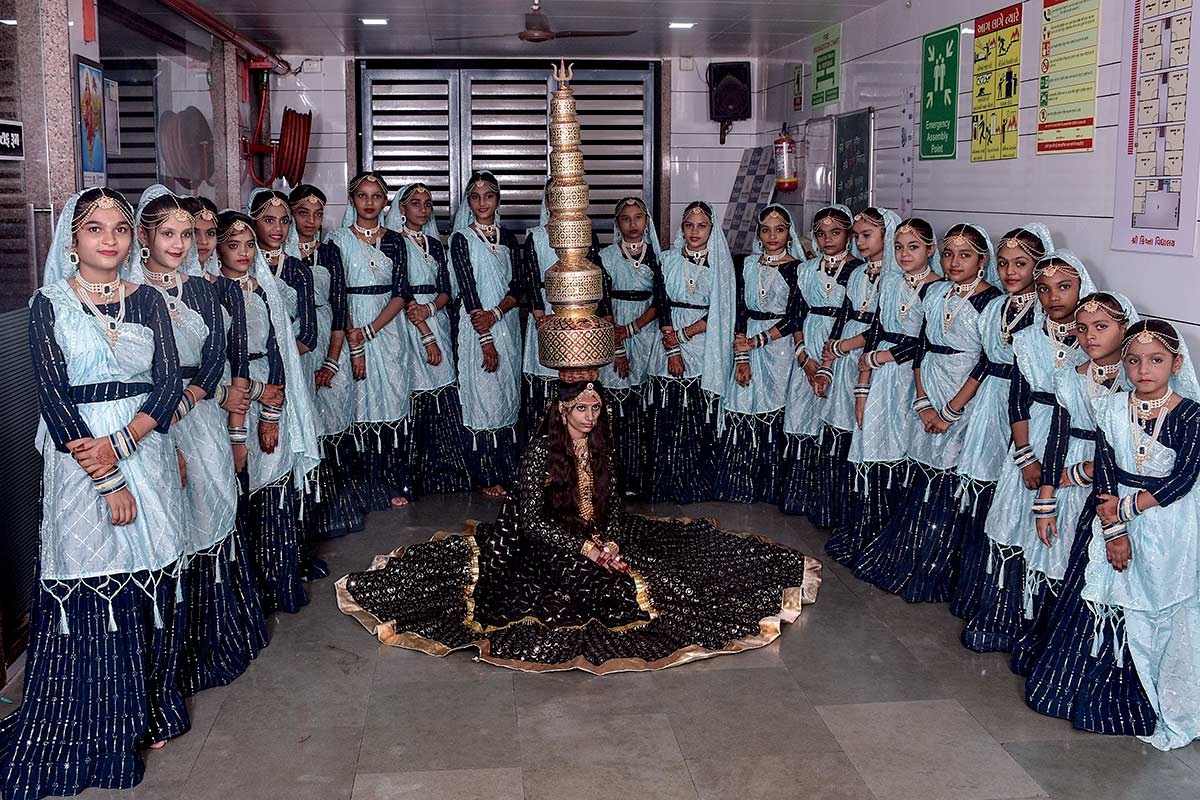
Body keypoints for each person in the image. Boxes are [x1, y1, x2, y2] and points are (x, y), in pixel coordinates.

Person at [335, 378, 821, 672]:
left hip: (592, 537)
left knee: (668, 574)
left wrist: (607, 537)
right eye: (579, 409)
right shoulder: (540, 454)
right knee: (600, 593)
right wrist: (587, 550)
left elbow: (611, 505)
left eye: (595, 408)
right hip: (535, 545)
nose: (589, 417)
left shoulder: (602, 445)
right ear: (561, 411)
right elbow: (530, 521)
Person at [0, 187, 187, 800]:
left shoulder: (150, 301)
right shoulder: (47, 302)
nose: (109, 239)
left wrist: (125, 449)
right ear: (72, 239)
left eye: (120, 228)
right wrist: (105, 476)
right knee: (92, 582)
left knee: (151, 579)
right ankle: (100, 727)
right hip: (78, 465)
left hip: (146, 454)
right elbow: (53, 396)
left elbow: (166, 386)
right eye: (94, 228)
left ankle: (150, 712)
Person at [133, 186, 262, 695]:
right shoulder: (129, 294)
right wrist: (165, 433)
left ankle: (213, 645)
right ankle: (166, 666)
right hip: (149, 423)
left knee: (211, 516)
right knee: (168, 533)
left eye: (187, 235)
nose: (181, 244)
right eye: (169, 234)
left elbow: (217, 359)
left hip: (200, 415)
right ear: (144, 237)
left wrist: (189, 405)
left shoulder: (201, 288)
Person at [1021, 293, 1155, 738]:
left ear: (1125, 328)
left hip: (1117, 493)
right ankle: (1063, 664)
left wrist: (1080, 475)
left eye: (1102, 327)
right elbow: (1058, 436)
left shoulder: (1138, 380)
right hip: (1076, 482)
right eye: (1083, 328)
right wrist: (1046, 498)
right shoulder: (1070, 376)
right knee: (1069, 568)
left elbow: (1133, 454)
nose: (1090, 336)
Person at [854, 224, 1000, 602]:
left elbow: (987, 362)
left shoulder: (991, 302)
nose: (954, 262)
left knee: (950, 470)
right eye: (949, 254)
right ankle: (911, 552)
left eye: (965, 255)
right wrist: (921, 400)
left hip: (965, 394)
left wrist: (950, 411)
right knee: (922, 466)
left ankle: (939, 566)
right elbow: (919, 344)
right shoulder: (935, 292)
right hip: (930, 384)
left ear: (983, 260)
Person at [966, 247, 1093, 655]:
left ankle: (1045, 632)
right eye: (1044, 289)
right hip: (1032, 436)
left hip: (1073, 443)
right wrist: (1024, 455)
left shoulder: (1094, 341)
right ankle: (1005, 618)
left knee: (1060, 533)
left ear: (1082, 288)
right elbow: (1017, 400)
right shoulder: (1027, 339)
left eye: (1064, 287)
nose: (1054, 296)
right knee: (1014, 522)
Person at [1080, 319, 1200, 749]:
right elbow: (1105, 471)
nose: (1143, 369)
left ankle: (1179, 707)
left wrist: (1127, 508)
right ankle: (1131, 701)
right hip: (1120, 517)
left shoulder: (1190, 414)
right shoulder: (1112, 409)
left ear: (1176, 363)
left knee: (1169, 608)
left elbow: (1184, 477)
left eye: (1155, 360)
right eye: (1133, 361)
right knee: (1128, 603)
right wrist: (1114, 529)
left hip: (1170, 522)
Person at [215, 210, 321, 615]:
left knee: (272, 481)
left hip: (267, 393)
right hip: (229, 397)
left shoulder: (261, 289)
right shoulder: (211, 291)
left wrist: (273, 412)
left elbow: (279, 346)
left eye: (248, 245)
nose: (243, 253)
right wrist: (242, 419)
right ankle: (248, 592)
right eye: (232, 245)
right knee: (239, 486)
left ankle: (279, 581)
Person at [953, 225, 1055, 628]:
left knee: (1009, 498)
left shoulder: (1045, 311)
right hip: (989, 402)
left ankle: (1011, 605)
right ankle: (975, 589)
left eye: (1021, 263)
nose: (1011, 271)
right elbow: (984, 359)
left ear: (1038, 266)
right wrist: (955, 407)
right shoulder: (997, 306)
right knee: (981, 489)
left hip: (1026, 411)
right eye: (1004, 263)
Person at [827, 215, 937, 568]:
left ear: (930, 250)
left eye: (914, 247)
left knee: (900, 448)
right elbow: (875, 330)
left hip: (911, 378)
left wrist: (880, 357)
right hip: (879, 377)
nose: (905, 254)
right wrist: (863, 386)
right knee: (870, 443)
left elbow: (923, 341)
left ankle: (893, 533)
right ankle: (867, 531)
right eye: (900, 247)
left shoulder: (936, 289)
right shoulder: (891, 283)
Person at [327, 171, 415, 508]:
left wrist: (371, 330)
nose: (369, 203)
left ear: (385, 201)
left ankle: (392, 482)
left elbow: (401, 292)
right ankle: (363, 487)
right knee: (359, 403)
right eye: (362, 196)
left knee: (392, 401)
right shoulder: (337, 240)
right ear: (352, 200)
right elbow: (339, 295)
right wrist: (356, 340)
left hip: (389, 328)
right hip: (351, 327)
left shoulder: (395, 240)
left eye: (376, 196)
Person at [712, 204, 805, 503]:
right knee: (740, 404)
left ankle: (770, 487)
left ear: (789, 233)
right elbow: (740, 308)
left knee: (773, 410)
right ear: (758, 234)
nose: (772, 235)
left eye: (779, 229)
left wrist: (758, 341)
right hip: (747, 341)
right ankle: (739, 484)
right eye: (766, 230)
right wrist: (742, 354)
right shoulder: (749, 264)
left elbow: (795, 317)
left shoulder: (797, 268)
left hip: (779, 347)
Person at [812, 207, 899, 527]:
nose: (860, 242)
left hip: (870, 356)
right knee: (841, 425)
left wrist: (844, 346)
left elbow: (880, 326)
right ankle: (835, 511)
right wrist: (827, 361)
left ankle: (864, 516)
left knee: (863, 427)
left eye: (867, 235)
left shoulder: (894, 279)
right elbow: (843, 315)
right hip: (846, 352)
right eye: (858, 236)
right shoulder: (859, 272)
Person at [285, 184, 364, 537]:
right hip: (294, 346)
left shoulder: (329, 252)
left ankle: (335, 512)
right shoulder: (278, 255)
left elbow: (339, 306)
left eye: (318, 214)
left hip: (329, 344)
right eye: (304, 213)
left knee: (332, 422)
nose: (312, 221)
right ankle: (305, 518)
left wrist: (332, 361)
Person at [645, 201, 735, 505]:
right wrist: (672, 345)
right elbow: (661, 302)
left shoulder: (722, 266)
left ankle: (693, 482)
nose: (695, 231)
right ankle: (663, 483)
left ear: (712, 229)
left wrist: (686, 335)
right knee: (666, 414)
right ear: (681, 228)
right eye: (689, 225)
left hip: (703, 343)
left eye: (702, 225)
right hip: (667, 339)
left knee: (696, 415)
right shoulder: (667, 259)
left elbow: (724, 310)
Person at [384, 182, 470, 496]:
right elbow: (400, 290)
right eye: (415, 203)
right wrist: (425, 335)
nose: (423, 209)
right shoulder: (392, 243)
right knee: (417, 393)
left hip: (435, 316)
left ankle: (444, 475)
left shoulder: (434, 244)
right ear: (401, 208)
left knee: (443, 390)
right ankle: (410, 479)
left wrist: (431, 310)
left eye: (427, 203)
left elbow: (446, 288)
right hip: (409, 324)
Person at [778, 205, 860, 518]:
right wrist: (804, 357)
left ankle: (829, 505)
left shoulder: (858, 271)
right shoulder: (806, 269)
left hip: (840, 349)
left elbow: (848, 314)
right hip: (807, 346)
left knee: (833, 415)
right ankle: (801, 497)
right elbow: (795, 313)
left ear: (849, 235)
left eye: (836, 232)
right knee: (802, 413)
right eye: (821, 234)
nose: (827, 239)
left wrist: (826, 359)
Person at [449, 170, 524, 497]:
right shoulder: (461, 238)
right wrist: (485, 338)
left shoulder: (508, 238)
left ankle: (507, 471)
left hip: (506, 323)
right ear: (469, 202)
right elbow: (467, 286)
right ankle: (484, 475)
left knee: (506, 394)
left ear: (498, 200)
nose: (482, 203)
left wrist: (497, 314)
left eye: (489, 196)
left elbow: (519, 284)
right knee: (480, 397)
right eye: (476, 197)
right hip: (475, 326)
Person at [597, 196, 664, 498]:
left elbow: (661, 300)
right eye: (626, 218)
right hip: (613, 333)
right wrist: (618, 344)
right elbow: (602, 301)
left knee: (642, 407)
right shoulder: (606, 255)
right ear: (617, 223)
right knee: (615, 406)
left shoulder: (657, 258)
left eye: (638, 217)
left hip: (647, 332)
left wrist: (634, 328)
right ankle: (613, 479)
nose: (632, 224)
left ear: (647, 222)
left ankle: (641, 479)